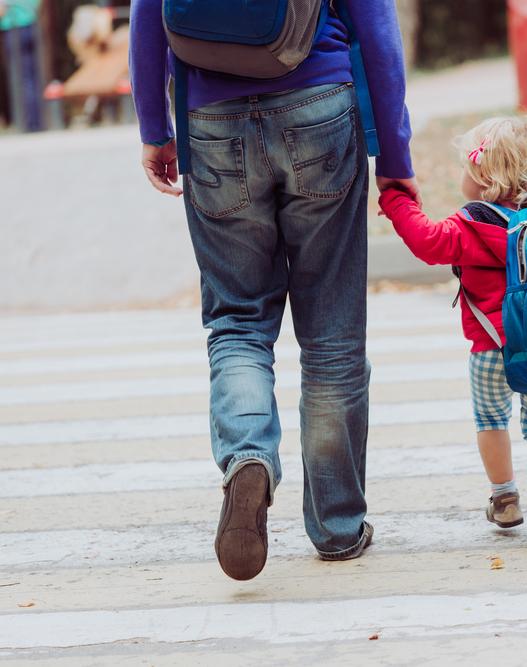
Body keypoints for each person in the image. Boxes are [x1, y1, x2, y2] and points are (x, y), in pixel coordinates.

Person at [129, 0, 416, 580]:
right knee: (332, 333)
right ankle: (337, 527)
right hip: (320, 104)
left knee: (237, 320)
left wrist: (155, 129)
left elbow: (145, 16)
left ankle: (247, 457)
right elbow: (376, 27)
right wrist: (394, 152)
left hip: (211, 118)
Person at [378, 116, 527, 547]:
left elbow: (427, 241)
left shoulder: (473, 225)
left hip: (490, 350)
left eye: (466, 167)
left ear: (484, 179)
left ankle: (505, 499)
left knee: (490, 419)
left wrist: (396, 200)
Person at [0, 0, 43, 132]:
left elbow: (1, 10)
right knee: (32, 77)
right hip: (31, 26)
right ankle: (36, 121)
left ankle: (27, 122)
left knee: (20, 77)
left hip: (14, 28)